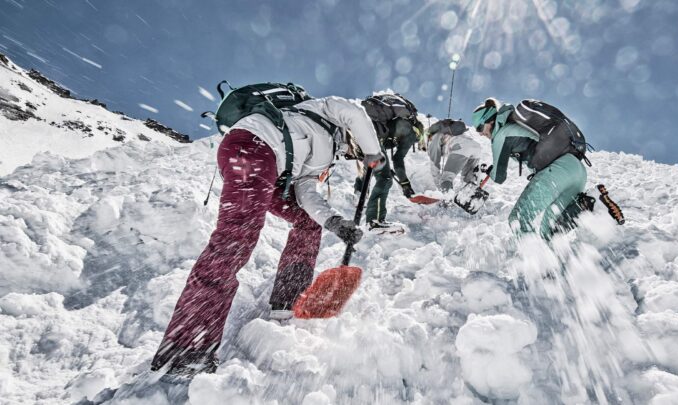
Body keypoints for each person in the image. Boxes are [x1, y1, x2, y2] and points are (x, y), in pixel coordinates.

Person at [150, 96, 384, 377]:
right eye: (356, 147)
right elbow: (353, 112)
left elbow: (305, 192)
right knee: (234, 241)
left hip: (270, 169)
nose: (352, 151)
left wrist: (335, 223)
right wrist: (374, 151)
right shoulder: (320, 109)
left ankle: (287, 299)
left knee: (308, 223)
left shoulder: (325, 148)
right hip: (253, 147)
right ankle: (186, 348)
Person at [472, 98, 588, 238]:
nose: (480, 133)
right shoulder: (516, 126)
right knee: (550, 230)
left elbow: (499, 176)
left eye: (479, 127)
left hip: (557, 171)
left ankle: (532, 258)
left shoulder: (501, 135)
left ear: (490, 120)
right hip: (576, 170)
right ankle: (591, 205)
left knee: (518, 220)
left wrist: (491, 172)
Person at [354, 94, 424, 234]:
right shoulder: (413, 132)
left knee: (376, 166)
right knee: (385, 179)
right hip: (372, 135)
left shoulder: (391, 120)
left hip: (357, 129)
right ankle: (375, 221)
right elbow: (398, 160)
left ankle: (359, 190)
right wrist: (406, 186)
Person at [426, 118, 483, 192]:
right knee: (467, 180)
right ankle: (467, 199)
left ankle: (446, 201)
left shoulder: (433, 138)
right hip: (476, 148)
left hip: (461, 146)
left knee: (446, 178)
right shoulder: (451, 133)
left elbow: (434, 163)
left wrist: (439, 187)